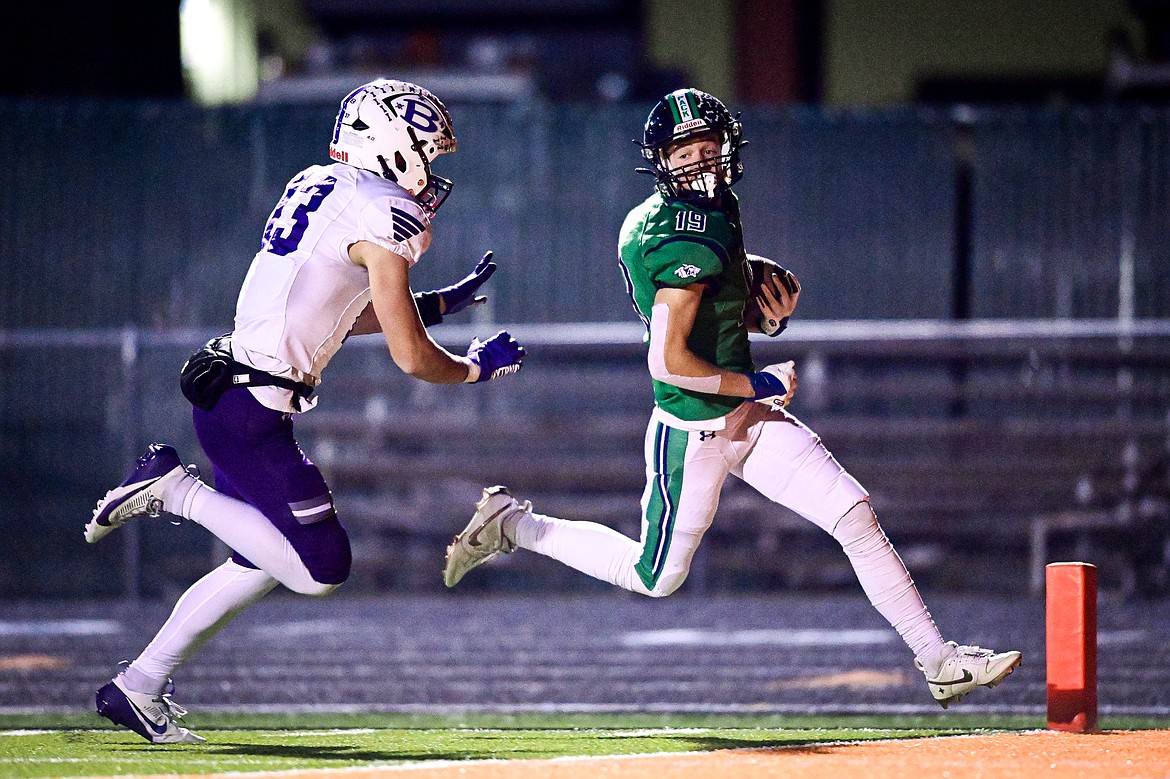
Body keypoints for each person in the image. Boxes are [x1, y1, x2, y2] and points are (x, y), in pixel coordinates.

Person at [443, 87, 1021, 709]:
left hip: (741, 414)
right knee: (654, 577)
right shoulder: (676, 236)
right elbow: (669, 363)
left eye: (708, 146)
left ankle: (940, 661)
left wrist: (755, 320)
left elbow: (707, 325)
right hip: (692, 426)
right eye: (684, 151)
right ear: (659, 158)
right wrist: (761, 383)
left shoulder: (709, 212)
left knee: (852, 514)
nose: (700, 162)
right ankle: (515, 525)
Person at [83, 79, 525, 744]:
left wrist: (434, 303)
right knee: (322, 569)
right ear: (393, 146)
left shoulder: (325, 185)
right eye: (428, 153)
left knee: (257, 560)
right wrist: (472, 369)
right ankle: (172, 490)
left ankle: (137, 685)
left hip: (234, 394)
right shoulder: (386, 215)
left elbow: (338, 311)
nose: (432, 171)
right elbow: (410, 356)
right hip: (252, 412)